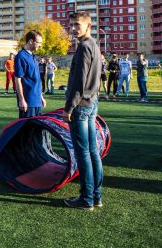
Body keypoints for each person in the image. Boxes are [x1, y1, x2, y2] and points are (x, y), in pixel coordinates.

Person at [62, 12, 103, 211]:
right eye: (71, 25)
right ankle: (96, 196)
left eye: (77, 25)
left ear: (88, 26)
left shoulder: (84, 47)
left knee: (84, 153)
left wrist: (68, 108)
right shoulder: (94, 45)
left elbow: (79, 83)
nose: (73, 28)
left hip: (81, 106)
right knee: (93, 151)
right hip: (92, 102)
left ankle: (86, 199)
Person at [14, 30, 46, 118]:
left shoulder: (33, 56)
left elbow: (36, 79)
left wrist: (40, 97)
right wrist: (21, 100)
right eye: (39, 42)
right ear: (31, 41)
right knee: (27, 131)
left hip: (36, 101)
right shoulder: (21, 56)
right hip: (28, 102)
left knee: (36, 131)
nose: (40, 45)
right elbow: (18, 79)